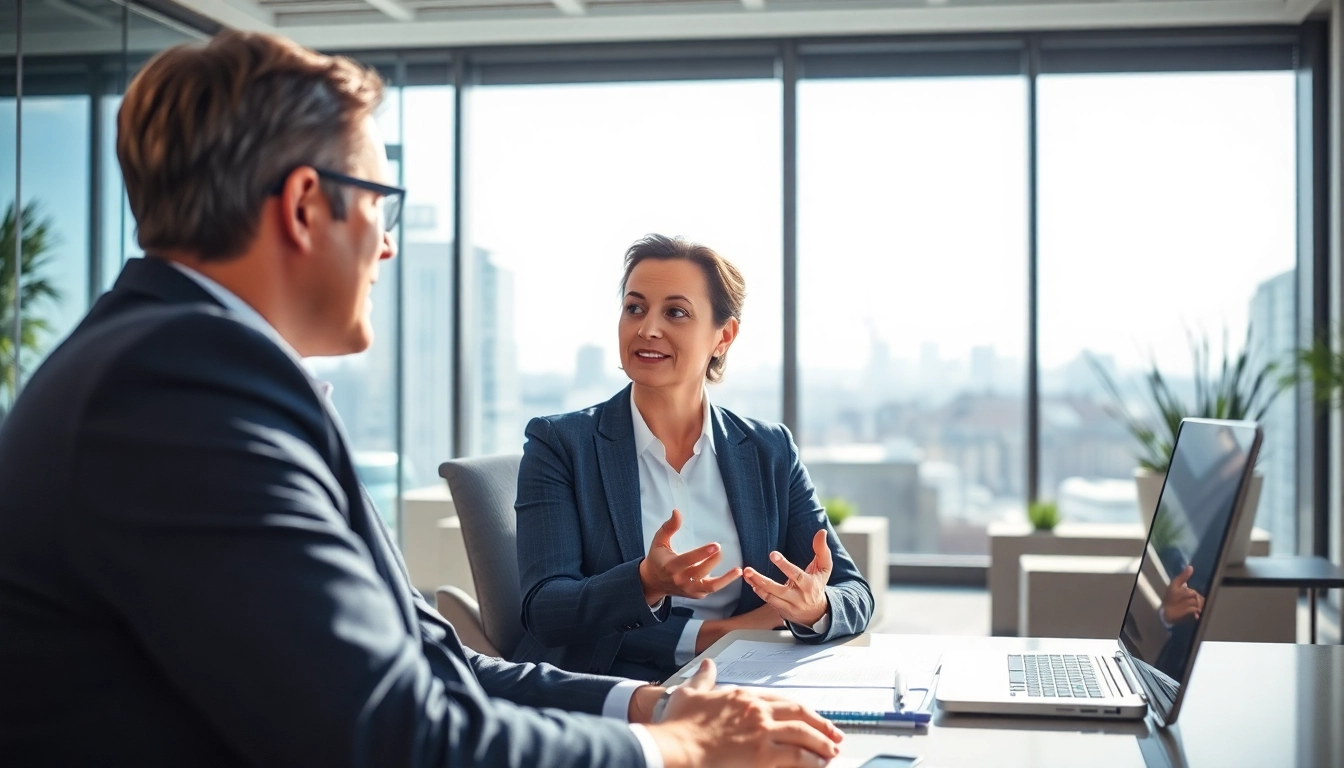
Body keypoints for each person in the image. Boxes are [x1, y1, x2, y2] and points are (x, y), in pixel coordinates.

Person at [0, 32, 844, 768]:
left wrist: (655, 710)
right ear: (303, 206)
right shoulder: (179, 396)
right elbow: (391, 736)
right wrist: (677, 752)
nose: (389, 244)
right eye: (379, 202)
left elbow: (438, 667)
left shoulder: (194, 369)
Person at [514, 235, 874, 682]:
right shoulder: (560, 443)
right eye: (635, 308)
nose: (647, 329)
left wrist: (815, 607)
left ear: (723, 337)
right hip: (607, 689)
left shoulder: (769, 450)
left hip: (742, 683)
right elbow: (545, 610)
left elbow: (854, 593)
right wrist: (649, 583)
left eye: (676, 312)